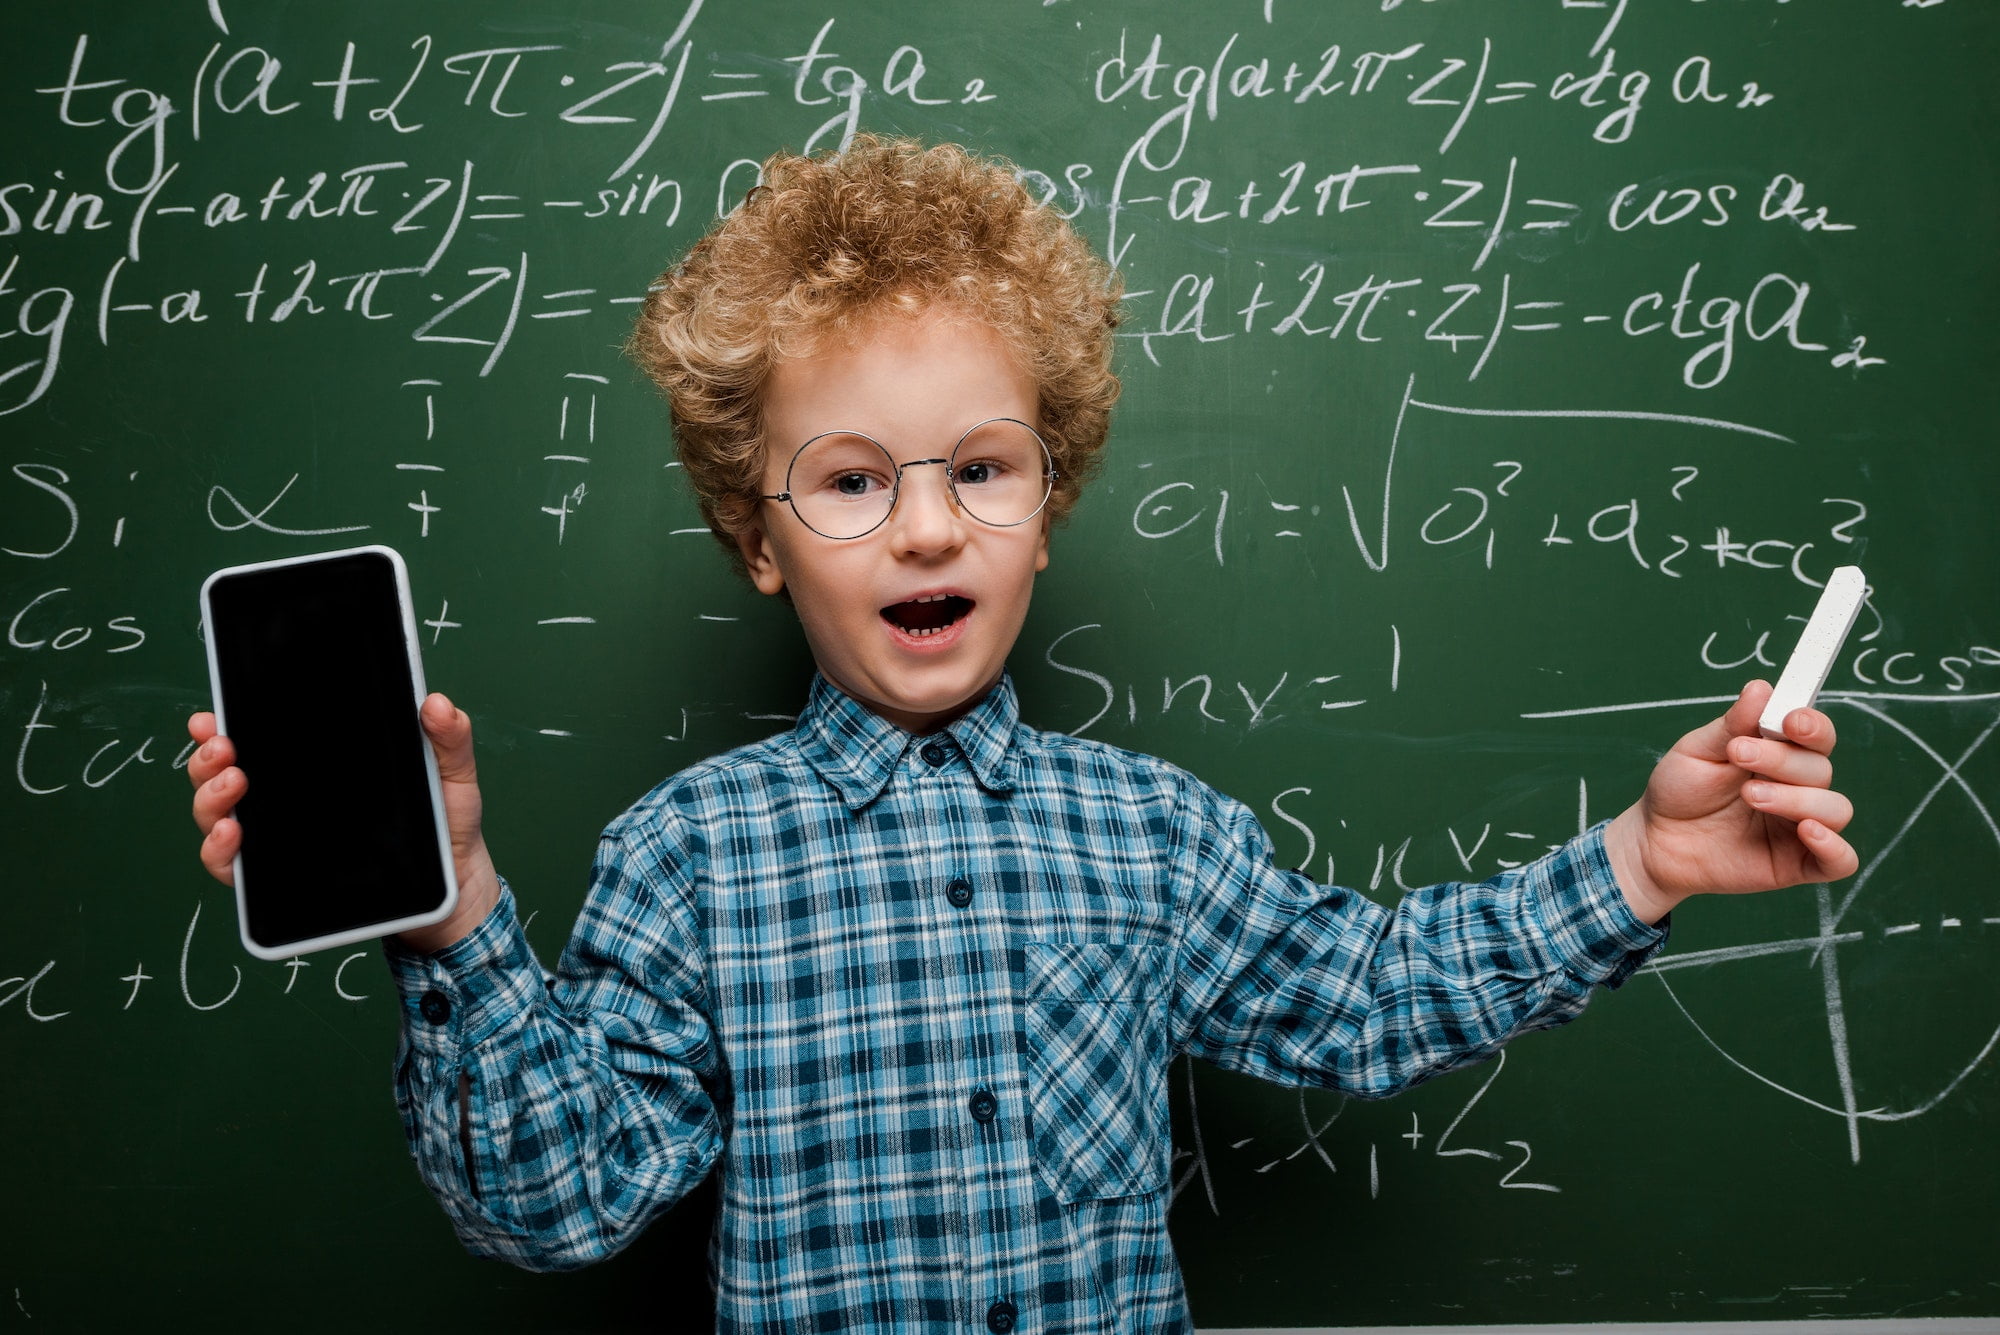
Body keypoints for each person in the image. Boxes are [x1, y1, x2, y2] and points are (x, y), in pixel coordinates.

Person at [185, 135, 1857, 1333]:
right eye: (850, 481)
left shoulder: (1149, 834)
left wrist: (1646, 860)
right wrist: (453, 907)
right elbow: (565, 1206)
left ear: (1046, 508)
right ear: (757, 539)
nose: (927, 532)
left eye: (981, 468)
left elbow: (1370, 995)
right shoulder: (689, 856)